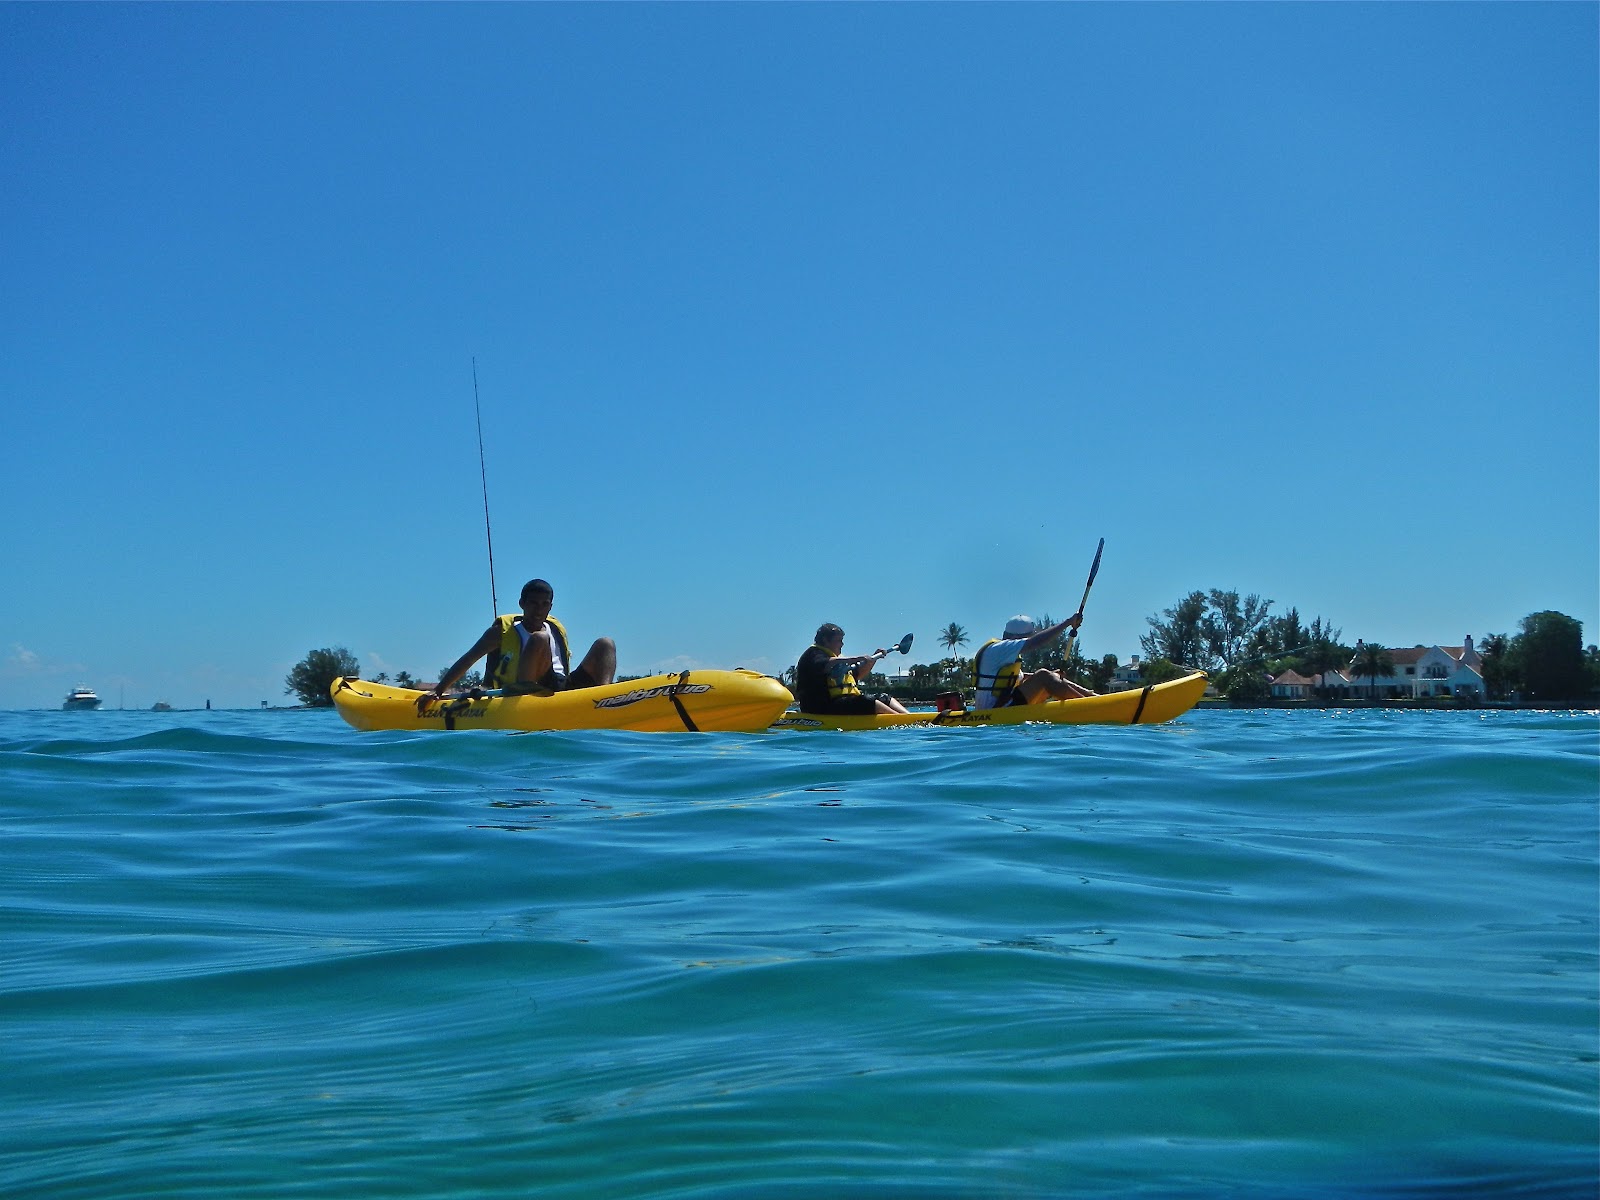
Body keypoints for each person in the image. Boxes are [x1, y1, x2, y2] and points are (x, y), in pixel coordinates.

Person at [419, 578, 616, 708]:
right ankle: (527, 695)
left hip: (563, 687)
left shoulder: (555, 628)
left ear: (550, 606)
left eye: (544, 604)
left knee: (605, 643)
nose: (539, 610)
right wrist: (438, 690)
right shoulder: (501, 633)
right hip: (530, 692)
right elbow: (469, 659)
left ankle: (605, 698)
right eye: (533, 603)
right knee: (539, 638)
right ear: (522, 604)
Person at [971, 615, 1096, 710]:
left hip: (1005, 705)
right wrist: (1068, 623)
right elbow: (1036, 642)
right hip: (993, 711)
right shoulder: (999, 649)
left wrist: (1053, 675)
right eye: (1027, 637)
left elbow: (1020, 677)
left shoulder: (1004, 655)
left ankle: (1094, 698)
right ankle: (1090, 707)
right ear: (1015, 637)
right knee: (1044, 676)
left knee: (1050, 675)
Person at [795, 624, 911, 716]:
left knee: (885, 698)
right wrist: (857, 658)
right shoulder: (812, 655)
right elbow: (825, 664)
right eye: (839, 641)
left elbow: (858, 675)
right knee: (867, 702)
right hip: (819, 708)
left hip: (840, 703)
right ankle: (902, 721)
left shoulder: (837, 661)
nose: (842, 644)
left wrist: (873, 660)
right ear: (825, 640)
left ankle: (910, 718)